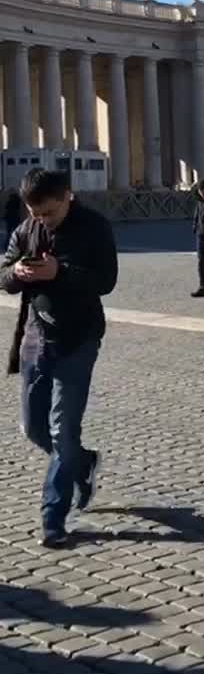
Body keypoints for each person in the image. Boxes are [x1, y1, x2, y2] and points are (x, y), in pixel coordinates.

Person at [0, 168, 118, 548]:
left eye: (48, 212)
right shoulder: (27, 227)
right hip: (36, 337)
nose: (41, 220)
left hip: (79, 338)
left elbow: (106, 280)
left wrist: (60, 271)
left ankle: (53, 519)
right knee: (32, 427)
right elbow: (3, 272)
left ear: (68, 195)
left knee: (62, 429)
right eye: (34, 213)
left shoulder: (95, 227)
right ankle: (81, 463)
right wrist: (15, 273)